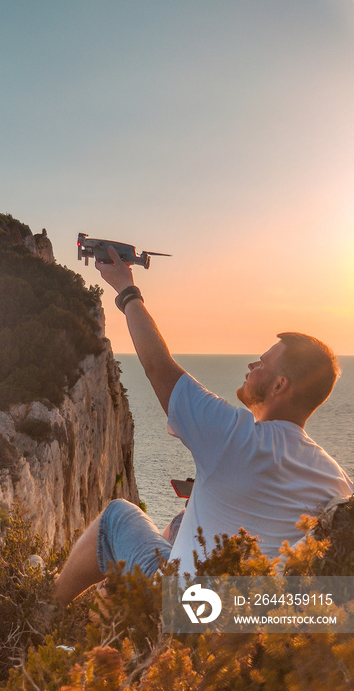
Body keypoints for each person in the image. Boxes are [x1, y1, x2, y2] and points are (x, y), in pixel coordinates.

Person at [53, 247, 353, 606]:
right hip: (248, 630)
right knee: (181, 522)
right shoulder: (335, 479)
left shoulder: (235, 436)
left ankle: (46, 620)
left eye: (263, 363)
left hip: (188, 615)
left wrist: (126, 291)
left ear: (279, 386)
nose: (251, 364)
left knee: (117, 517)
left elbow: (158, 366)